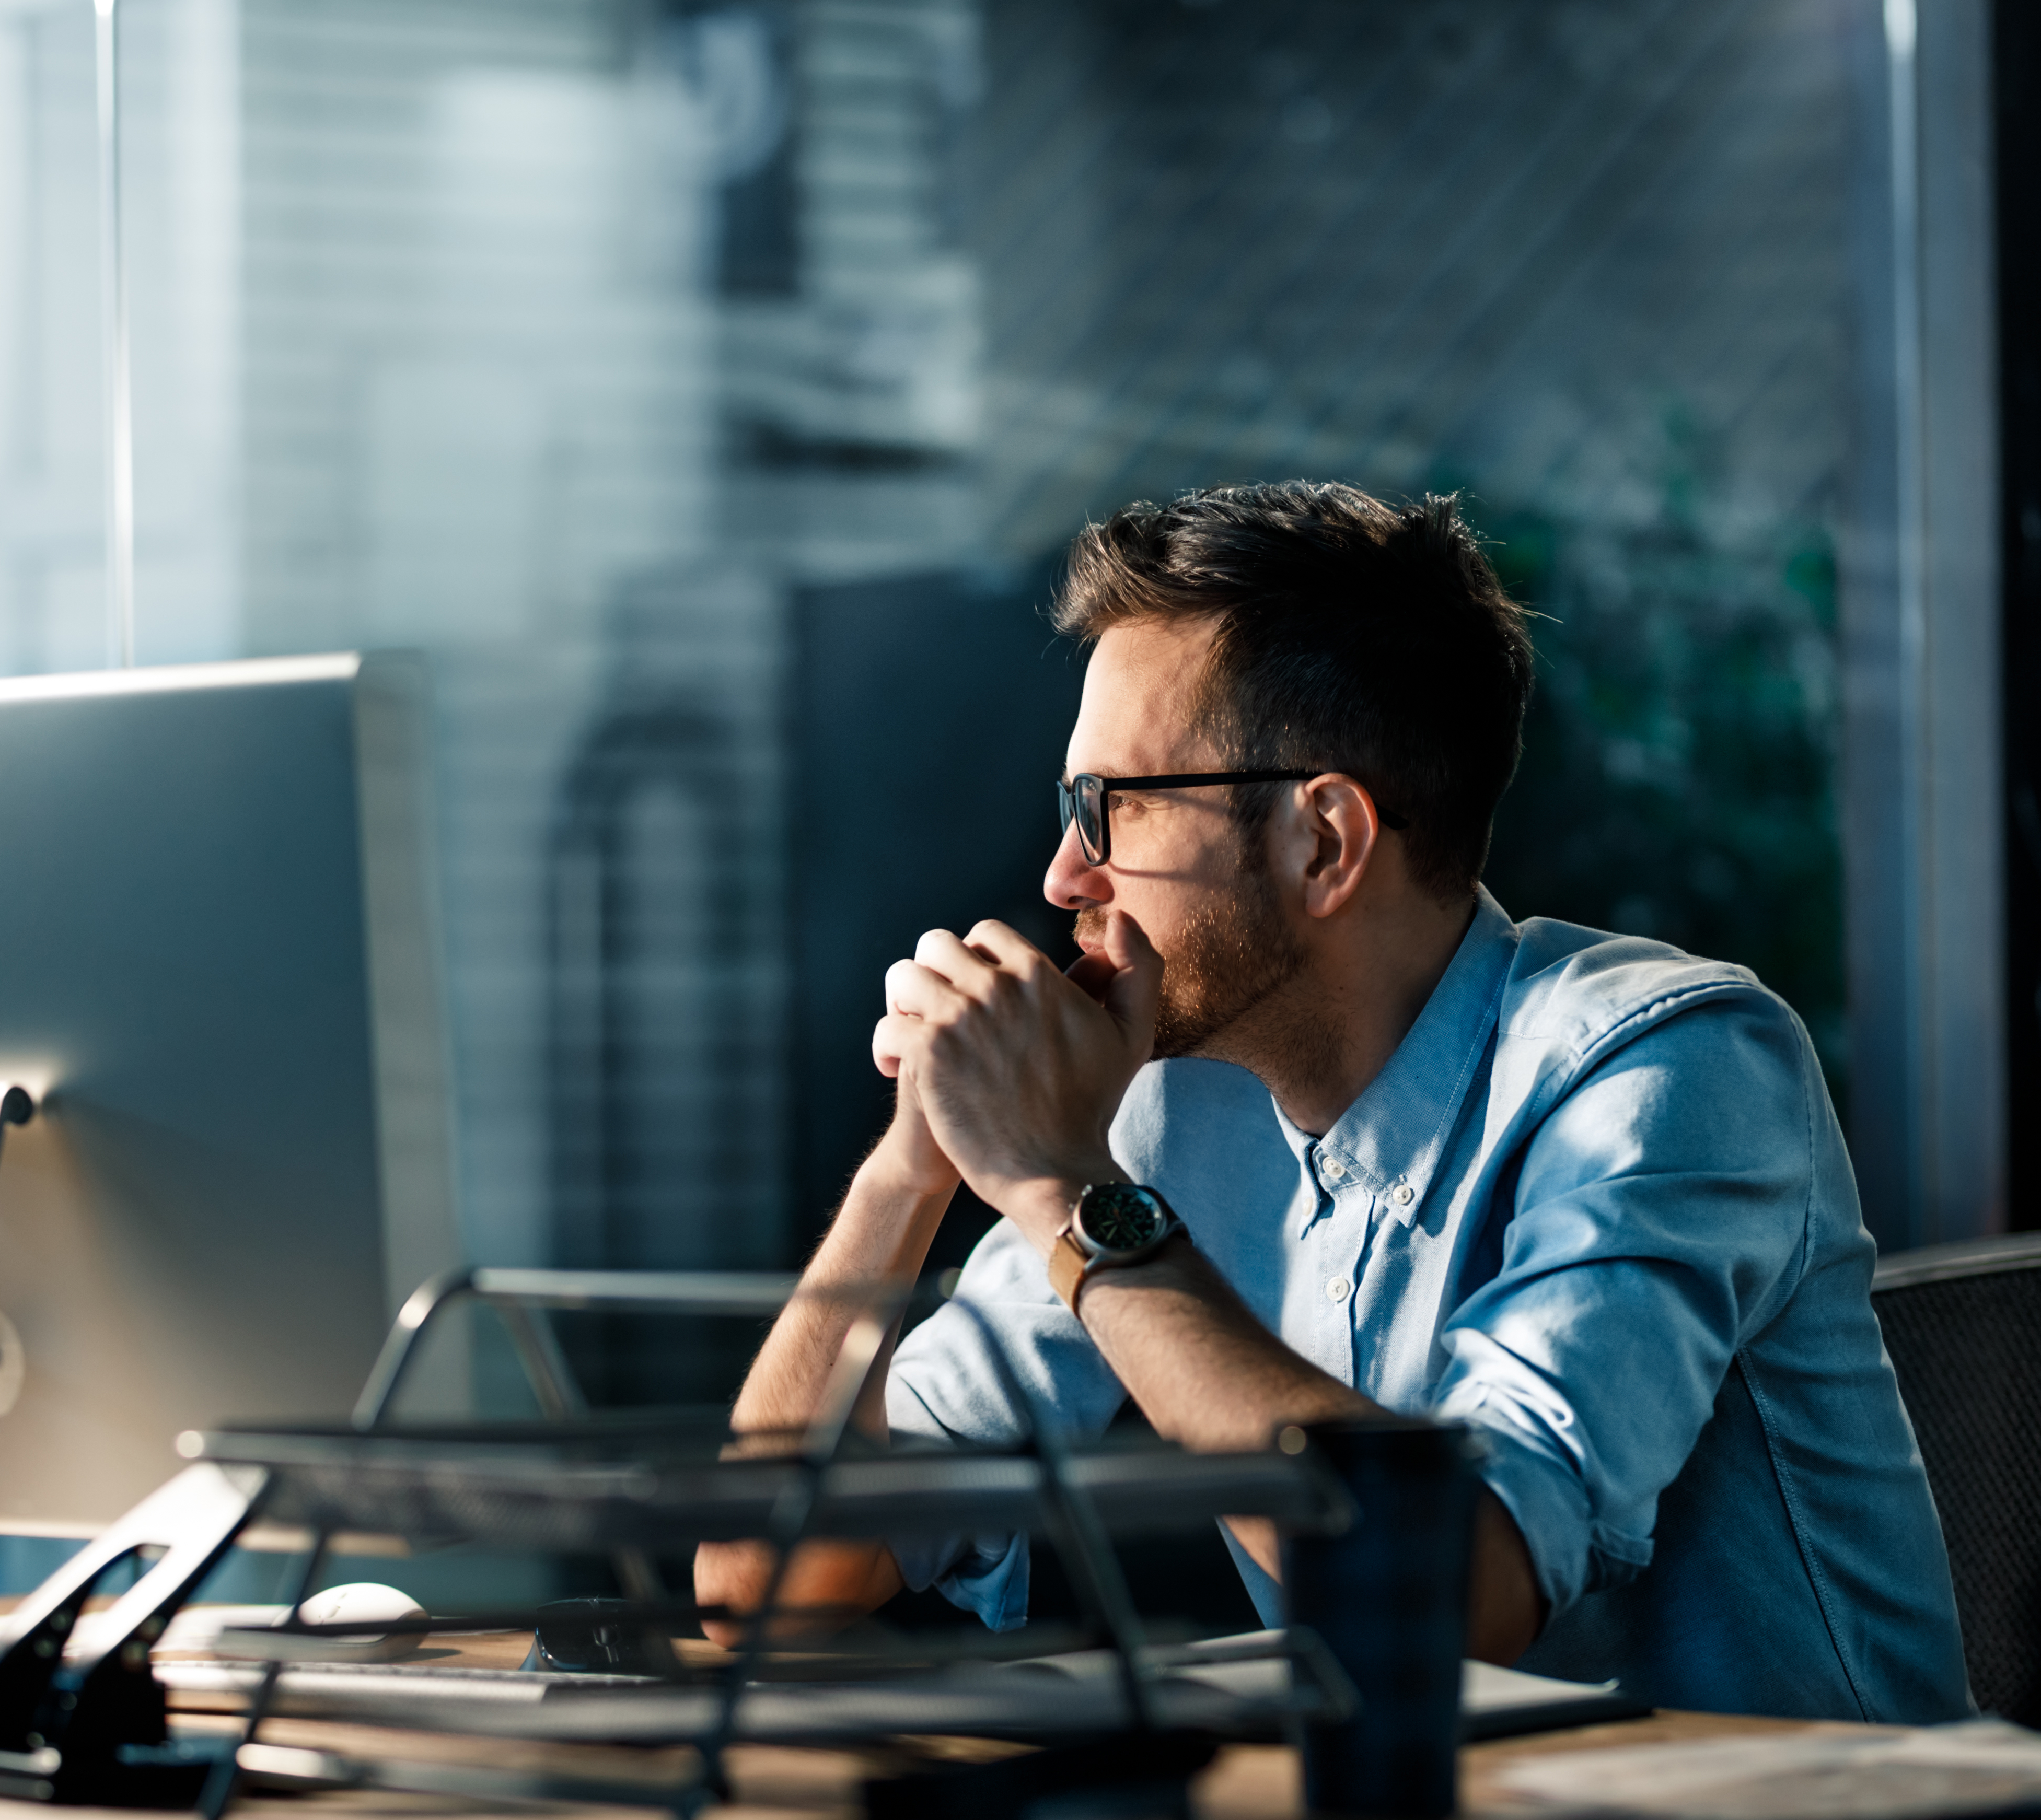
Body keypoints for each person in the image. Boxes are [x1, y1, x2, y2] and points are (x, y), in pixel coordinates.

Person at [701, 482, 1970, 1722]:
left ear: (1323, 841)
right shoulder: (1169, 1114)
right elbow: (759, 1585)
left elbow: (1434, 1597)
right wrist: (915, 1162)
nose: (1063, 874)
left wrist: (1062, 1194)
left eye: (1109, 809)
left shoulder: (1671, 1070)